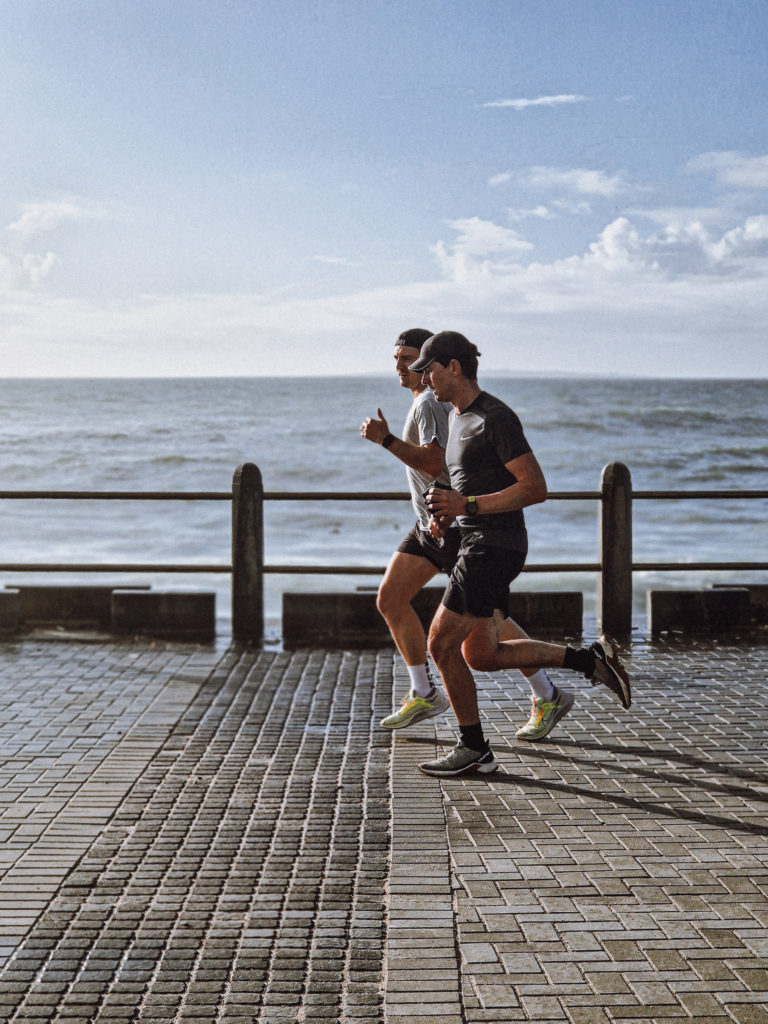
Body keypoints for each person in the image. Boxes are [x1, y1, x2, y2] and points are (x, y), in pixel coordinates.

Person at [406, 330, 631, 778]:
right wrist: (446, 513)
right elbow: (464, 481)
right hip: (476, 541)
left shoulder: (496, 417)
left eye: (428, 369)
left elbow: (534, 487)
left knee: (439, 643)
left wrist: (467, 507)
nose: (425, 379)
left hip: (495, 546)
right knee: (480, 655)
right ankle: (589, 661)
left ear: (454, 367)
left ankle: (474, 749)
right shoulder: (456, 418)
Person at [360, 328, 563, 732]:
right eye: (398, 359)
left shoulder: (433, 407)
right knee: (393, 598)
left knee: (480, 628)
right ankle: (426, 692)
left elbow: (437, 465)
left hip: (453, 528)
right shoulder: (434, 404)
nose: (402, 367)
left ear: (441, 366)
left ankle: (544, 693)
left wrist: (386, 442)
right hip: (431, 523)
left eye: (411, 360)